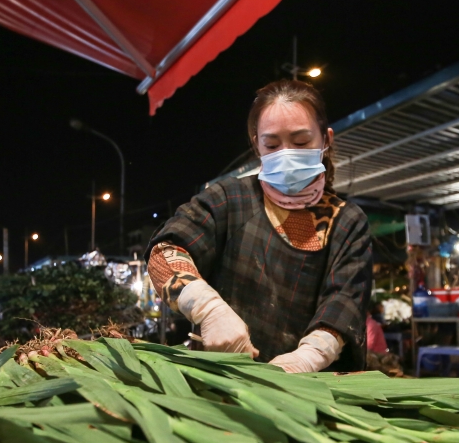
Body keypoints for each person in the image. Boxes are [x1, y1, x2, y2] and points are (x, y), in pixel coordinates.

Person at [146, 80, 372, 372]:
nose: (287, 153)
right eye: (272, 144)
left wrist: (308, 357)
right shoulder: (228, 199)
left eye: (301, 142)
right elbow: (164, 251)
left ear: (326, 139)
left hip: (310, 393)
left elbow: (345, 303)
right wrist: (207, 308)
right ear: (256, 144)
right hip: (219, 380)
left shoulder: (348, 222)